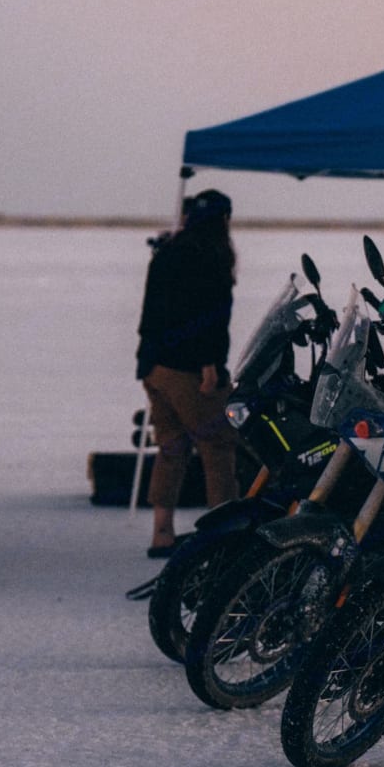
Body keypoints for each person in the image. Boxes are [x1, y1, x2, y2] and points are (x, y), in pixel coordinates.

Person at [135, 189, 240, 557]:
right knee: (218, 445)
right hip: (189, 368)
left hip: (154, 366)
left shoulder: (168, 253)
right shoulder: (209, 258)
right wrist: (210, 365)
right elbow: (207, 319)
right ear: (222, 220)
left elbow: (156, 313)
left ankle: (161, 532)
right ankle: (225, 534)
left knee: (171, 448)